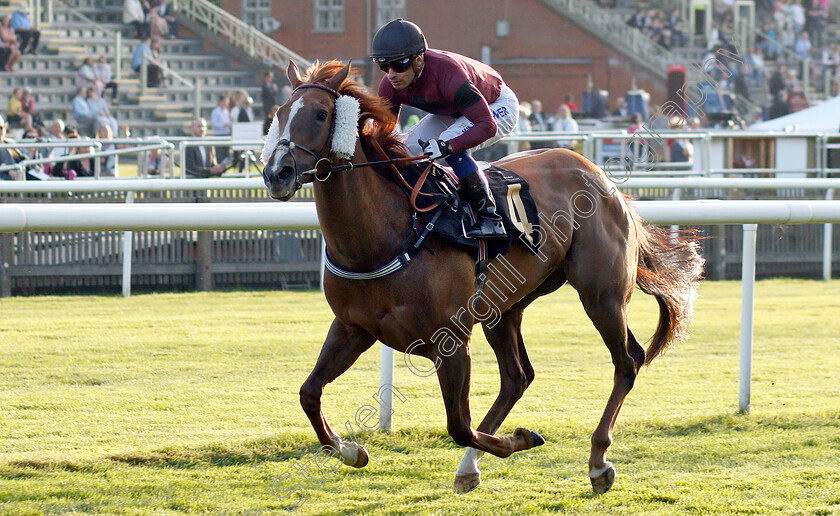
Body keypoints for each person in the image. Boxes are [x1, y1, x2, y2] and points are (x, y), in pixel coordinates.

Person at [370, 18, 519, 238]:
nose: (391, 73)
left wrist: (448, 145)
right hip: (455, 109)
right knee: (406, 148)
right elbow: (383, 135)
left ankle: (490, 218)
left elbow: (487, 125)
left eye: (399, 64)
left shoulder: (448, 73)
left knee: (449, 143)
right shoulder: (390, 86)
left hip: (496, 104)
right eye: (384, 65)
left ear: (419, 60)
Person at [210, 94, 232, 161]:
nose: (226, 103)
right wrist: (223, 125)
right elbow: (213, 124)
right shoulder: (215, 111)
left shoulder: (226, 111)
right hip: (219, 135)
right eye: (224, 102)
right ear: (220, 102)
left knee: (226, 154)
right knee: (219, 154)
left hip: (226, 134)